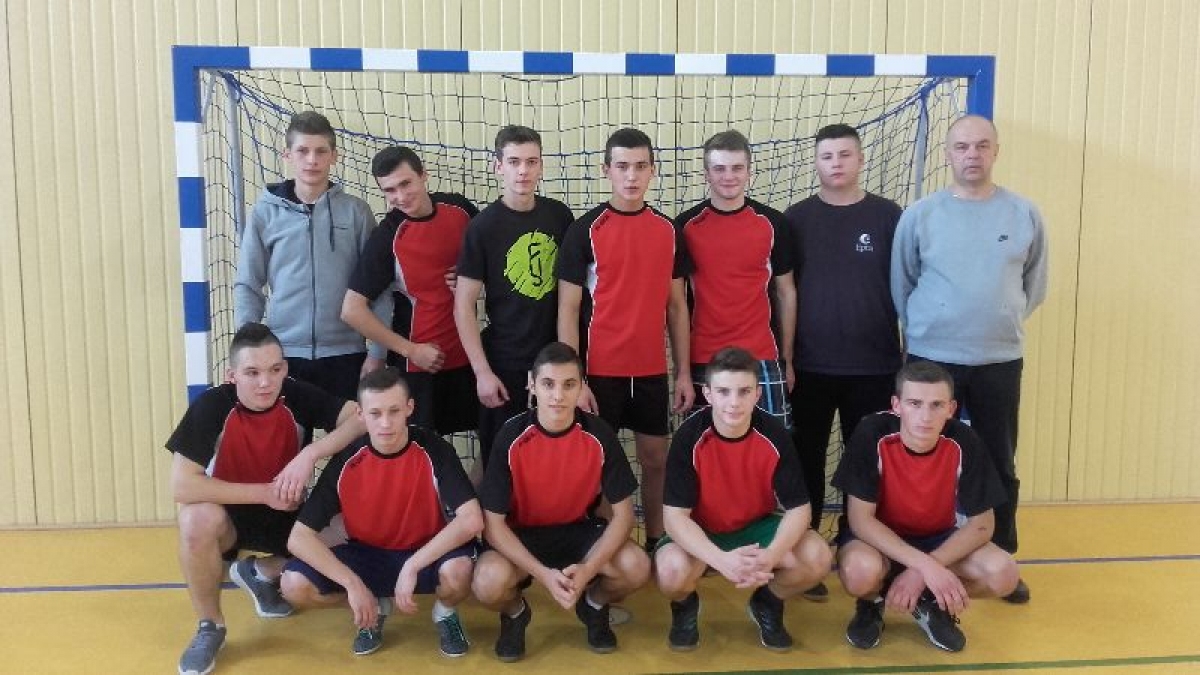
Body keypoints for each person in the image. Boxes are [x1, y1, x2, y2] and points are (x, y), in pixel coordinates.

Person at [891, 114, 1048, 603]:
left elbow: (1033, 285)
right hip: (932, 359)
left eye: (982, 145)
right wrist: (934, 326)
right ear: (948, 153)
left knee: (998, 457)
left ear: (996, 151)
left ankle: (1002, 554)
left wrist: (996, 321)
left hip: (999, 358)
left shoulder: (1024, 213)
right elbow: (903, 283)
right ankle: (912, 556)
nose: (972, 155)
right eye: (962, 146)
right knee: (923, 455)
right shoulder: (921, 215)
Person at [166, 323, 365, 675]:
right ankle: (210, 626)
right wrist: (265, 493)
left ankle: (261, 572)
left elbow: (360, 418)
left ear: (285, 368)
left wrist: (311, 454)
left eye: (274, 370)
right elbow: (182, 486)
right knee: (195, 519)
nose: (265, 382)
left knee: (356, 527)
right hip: (230, 520)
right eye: (252, 373)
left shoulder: (296, 395)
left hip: (287, 516)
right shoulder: (212, 406)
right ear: (232, 376)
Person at [280, 367, 482, 657]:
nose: (385, 423)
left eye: (394, 411)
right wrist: (352, 584)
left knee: (459, 570)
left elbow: (472, 519)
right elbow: (298, 538)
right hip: (368, 555)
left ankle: (445, 613)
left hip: (426, 552)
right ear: (360, 414)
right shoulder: (346, 460)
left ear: (409, 408)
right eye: (375, 413)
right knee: (293, 585)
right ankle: (374, 607)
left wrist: (412, 565)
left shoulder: (434, 449)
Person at [556, 127, 693, 552]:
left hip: (651, 371)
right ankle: (607, 550)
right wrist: (576, 380)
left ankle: (656, 542)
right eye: (622, 166)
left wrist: (683, 373)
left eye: (640, 166)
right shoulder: (585, 230)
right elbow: (568, 310)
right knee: (602, 467)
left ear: (652, 170)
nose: (631, 176)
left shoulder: (669, 230)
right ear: (606, 170)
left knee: (656, 461)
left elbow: (677, 307)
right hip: (600, 373)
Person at [472, 342, 650, 662]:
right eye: (548, 384)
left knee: (637, 567)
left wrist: (588, 569)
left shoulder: (599, 434)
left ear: (581, 386)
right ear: (532, 384)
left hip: (579, 533)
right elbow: (493, 526)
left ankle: (594, 605)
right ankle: (515, 614)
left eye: (569, 385)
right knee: (487, 583)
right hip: (523, 536)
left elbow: (624, 516)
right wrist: (543, 575)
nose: (558, 395)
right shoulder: (510, 436)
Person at [832, 360, 1019, 652]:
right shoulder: (872, 432)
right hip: (877, 541)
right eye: (915, 403)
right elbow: (860, 520)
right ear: (897, 405)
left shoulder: (964, 441)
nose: (925, 416)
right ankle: (871, 602)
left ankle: (930, 603)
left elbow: (983, 525)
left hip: (937, 538)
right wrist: (924, 566)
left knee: (1004, 574)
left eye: (936, 405)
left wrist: (923, 570)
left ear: (951, 408)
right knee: (859, 572)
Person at [655, 347, 832, 653]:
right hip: (702, 530)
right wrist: (720, 560)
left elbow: (799, 509)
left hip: (755, 528)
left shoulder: (775, 434)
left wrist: (772, 555)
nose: (734, 402)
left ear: (757, 394)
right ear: (708, 394)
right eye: (724, 391)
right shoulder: (688, 437)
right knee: (671, 572)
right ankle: (684, 607)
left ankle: (767, 602)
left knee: (817, 558)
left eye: (744, 391)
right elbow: (674, 518)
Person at [784, 123, 903, 561]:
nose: (836, 163)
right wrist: (787, 357)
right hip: (810, 366)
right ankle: (808, 544)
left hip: (875, 366)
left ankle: (861, 544)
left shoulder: (888, 216)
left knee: (866, 463)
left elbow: (908, 285)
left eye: (845, 154)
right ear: (816, 162)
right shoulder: (796, 219)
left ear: (861, 159)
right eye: (827, 156)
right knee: (807, 458)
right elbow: (784, 292)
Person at [234, 111, 387, 403]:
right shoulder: (265, 213)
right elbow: (248, 284)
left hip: (347, 354)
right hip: (283, 355)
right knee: (289, 433)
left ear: (334, 156)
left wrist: (378, 352)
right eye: (303, 151)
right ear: (287, 155)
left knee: (349, 432)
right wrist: (247, 351)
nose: (312, 160)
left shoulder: (356, 212)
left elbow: (378, 286)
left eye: (321, 151)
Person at [454, 125, 574, 468]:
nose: (523, 171)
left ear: (541, 166)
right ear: (499, 166)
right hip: (505, 362)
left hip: (552, 360)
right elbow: (463, 305)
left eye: (531, 162)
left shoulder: (559, 216)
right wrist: (482, 372)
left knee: (552, 458)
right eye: (514, 161)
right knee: (499, 459)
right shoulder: (483, 227)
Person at [342, 146, 481, 435]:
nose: (401, 196)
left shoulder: (460, 209)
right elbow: (352, 310)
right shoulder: (387, 236)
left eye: (406, 183)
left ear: (423, 175)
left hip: (469, 356)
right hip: (419, 366)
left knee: (487, 435)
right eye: (390, 190)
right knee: (421, 445)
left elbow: (491, 257)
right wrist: (411, 350)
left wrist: (473, 274)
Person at [675, 130, 796, 429]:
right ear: (706, 174)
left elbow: (786, 293)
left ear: (749, 172)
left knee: (773, 447)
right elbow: (675, 304)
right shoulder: (684, 227)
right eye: (719, 168)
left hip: (762, 357)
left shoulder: (773, 223)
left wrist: (787, 360)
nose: (728, 176)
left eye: (737, 168)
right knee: (704, 449)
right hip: (704, 359)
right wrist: (682, 371)